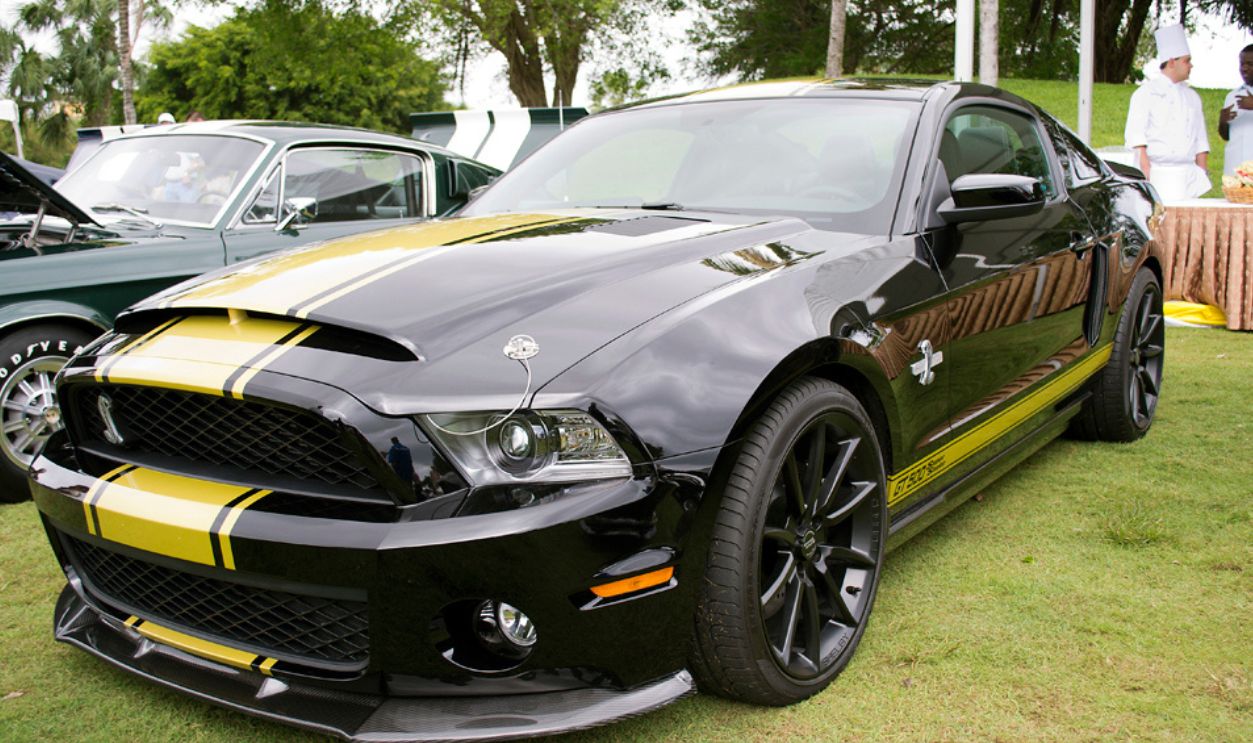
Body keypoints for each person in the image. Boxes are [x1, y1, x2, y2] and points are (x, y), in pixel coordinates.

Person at [1125, 24, 1211, 200]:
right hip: (1159, 173)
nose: (1191, 65)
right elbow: (1136, 137)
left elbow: (1200, 140)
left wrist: (1202, 172)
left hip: (1189, 175)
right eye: (1187, 61)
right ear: (1172, 62)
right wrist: (1145, 172)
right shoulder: (1145, 93)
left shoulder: (1192, 97)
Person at [1218, 44, 1253, 176]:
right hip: (1236, 167)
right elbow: (1225, 135)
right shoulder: (1232, 96)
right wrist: (1223, 122)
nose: (1244, 68)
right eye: (1242, 64)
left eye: (1250, 64)